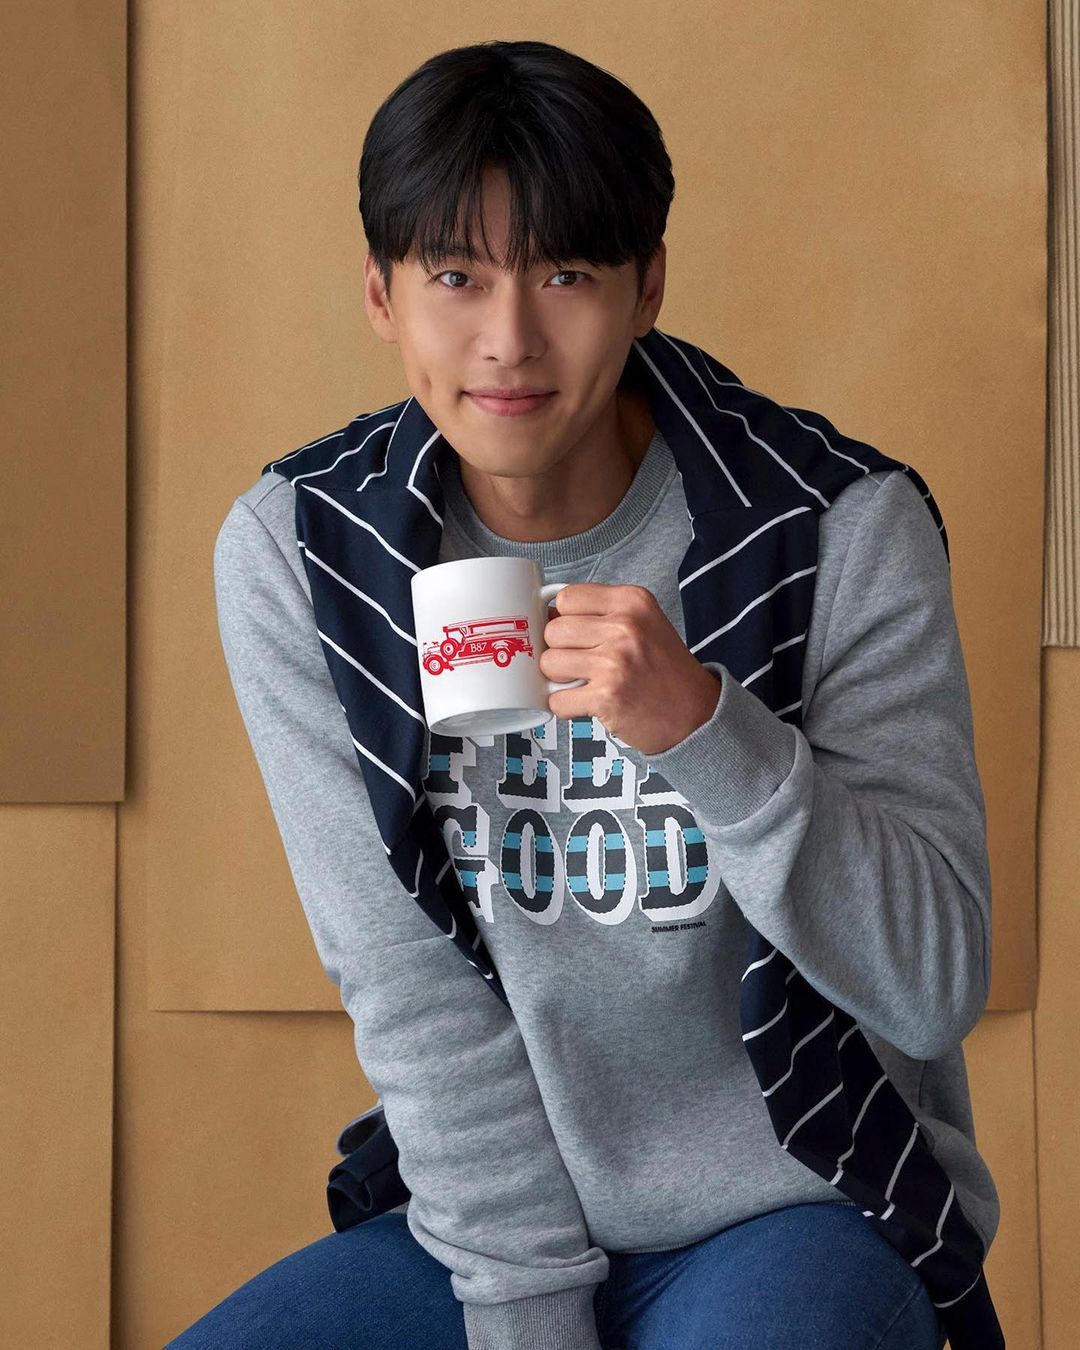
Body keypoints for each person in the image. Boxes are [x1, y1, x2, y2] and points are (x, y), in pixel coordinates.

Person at [169, 38, 998, 1350]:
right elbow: (415, 995)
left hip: (799, 1195)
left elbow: (934, 981)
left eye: (565, 275)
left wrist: (713, 733)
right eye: (456, 277)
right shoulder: (310, 554)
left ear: (646, 285)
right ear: (382, 294)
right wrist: (528, 1313)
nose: (509, 342)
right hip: (487, 1219)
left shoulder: (833, 527)